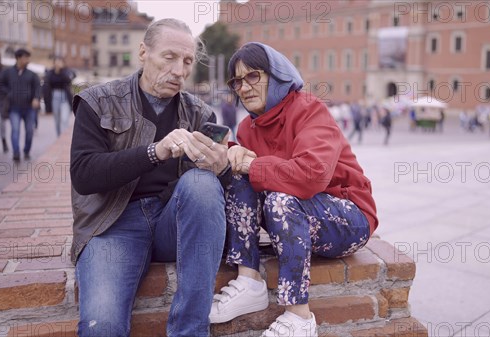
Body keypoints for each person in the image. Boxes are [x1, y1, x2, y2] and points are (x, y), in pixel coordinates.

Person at [69, 19, 231, 337]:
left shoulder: (200, 113)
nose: (180, 71)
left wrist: (221, 169)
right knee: (102, 326)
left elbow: (211, 202)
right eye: (169, 57)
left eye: (187, 62)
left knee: (202, 183)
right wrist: (155, 152)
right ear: (143, 52)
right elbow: (84, 175)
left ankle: (189, 332)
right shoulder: (98, 101)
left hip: (173, 223)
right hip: (111, 226)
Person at [209, 42, 378, 337]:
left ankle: (299, 317)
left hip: (349, 217)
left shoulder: (309, 109)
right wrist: (232, 153)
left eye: (253, 76)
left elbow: (311, 176)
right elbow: (252, 180)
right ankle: (249, 280)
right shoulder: (248, 127)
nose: (243, 87)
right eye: (237, 81)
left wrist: (253, 165)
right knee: (238, 176)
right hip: (297, 217)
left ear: (276, 75)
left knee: (279, 199)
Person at [0, 48, 40, 161]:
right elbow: (0, 84)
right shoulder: (7, 72)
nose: (27, 60)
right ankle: (16, 153)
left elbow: (37, 87)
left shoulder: (32, 74)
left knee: (29, 131)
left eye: (28, 58)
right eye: (25, 57)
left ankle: (26, 151)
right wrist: (9, 94)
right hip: (14, 108)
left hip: (29, 108)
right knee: (15, 130)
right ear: (18, 58)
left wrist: (36, 98)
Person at [44, 56, 75, 136]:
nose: (58, 64)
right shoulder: (50, 73)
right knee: (57, 119)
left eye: (60, 62)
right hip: (54, 96)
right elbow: (46, 85)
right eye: (56, 62)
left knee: (65, 119)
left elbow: (69, 80)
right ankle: (59, 136)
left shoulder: (66, 72)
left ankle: (63, 137)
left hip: (65, 96)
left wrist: (61, 71)